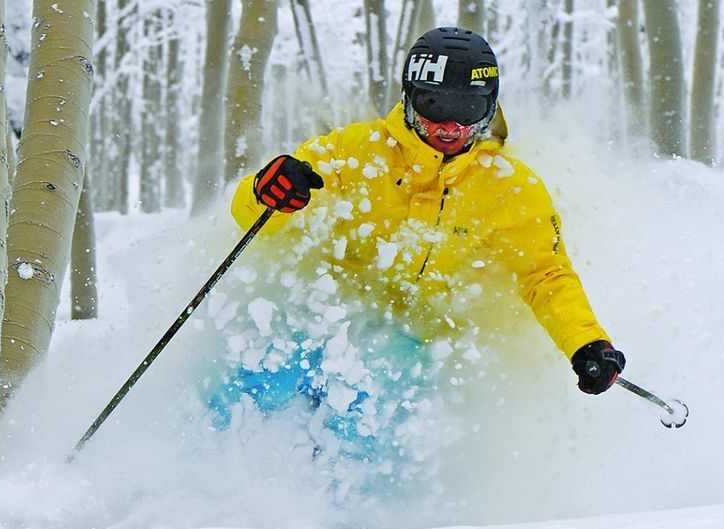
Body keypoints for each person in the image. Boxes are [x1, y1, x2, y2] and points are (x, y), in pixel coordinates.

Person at [211, 26, 625, 488]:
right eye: (435, 107)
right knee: (264, 375)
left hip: (415, 339)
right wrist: (269, 189)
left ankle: (342, 517)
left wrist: (586, 343)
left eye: (468, 111)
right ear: (411, 97)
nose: (450, 127)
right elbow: (249, 214)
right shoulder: (353, 152)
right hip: (322, 315)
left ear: (489, 107)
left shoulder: (510, 187)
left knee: (369, 400)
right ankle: (205, 480)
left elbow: (545, 275)